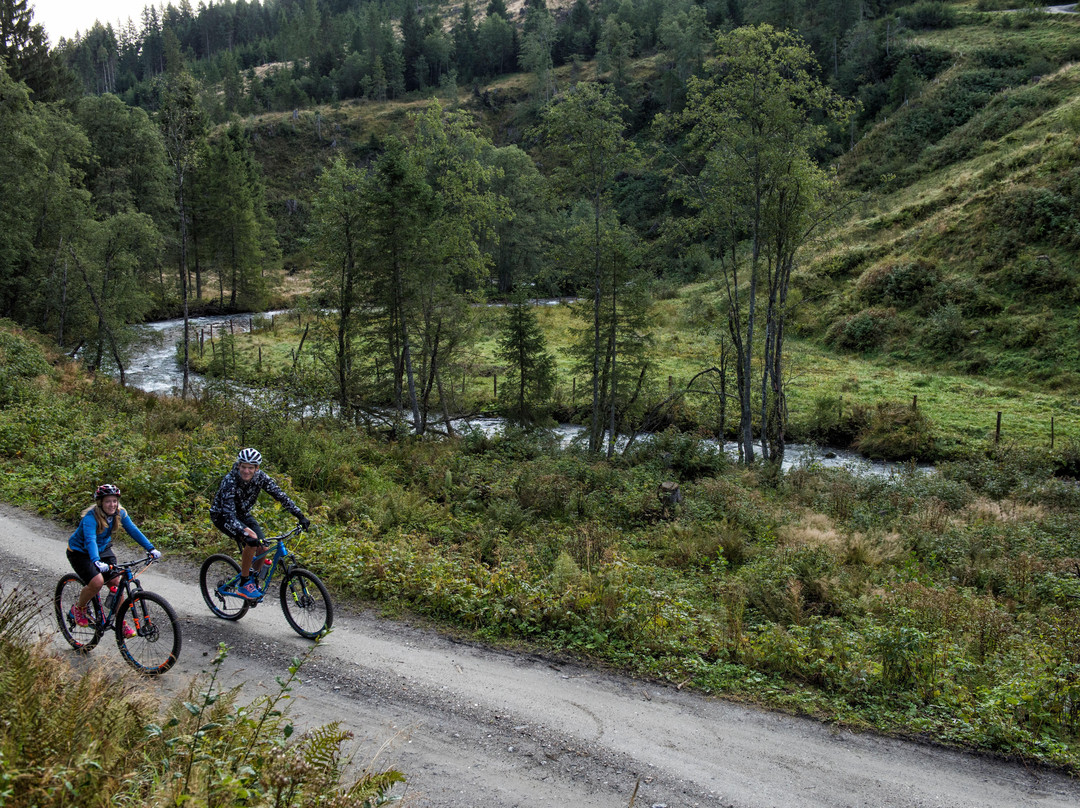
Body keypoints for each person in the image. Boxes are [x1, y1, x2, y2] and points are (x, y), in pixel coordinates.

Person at [210, 448, 310, 600]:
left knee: (263, 546)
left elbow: (280, 495)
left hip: (243, 515)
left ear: (257, 468)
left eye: (251, 467)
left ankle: (252, 579)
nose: (246, 471)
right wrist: (245, 533)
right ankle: (244, 583)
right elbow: (228, 514)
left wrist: (299, 515)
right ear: (238, 465)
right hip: (222, 516)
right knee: (251, 539)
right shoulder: (230, 480)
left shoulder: (261, 478)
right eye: (243, 466)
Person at [67, 484, 161, 636]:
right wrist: (96, 561)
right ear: (100, 503)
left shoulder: (120, 513)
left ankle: (120, 622)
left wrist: (151, 548)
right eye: (107, 501)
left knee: (116, 583)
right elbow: (90, 540)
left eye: (114, 501)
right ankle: (78, 609)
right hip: (80, 552)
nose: (112, 505)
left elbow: (133, 530)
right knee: (97, 582)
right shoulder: (91, 518)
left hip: (103, 550)